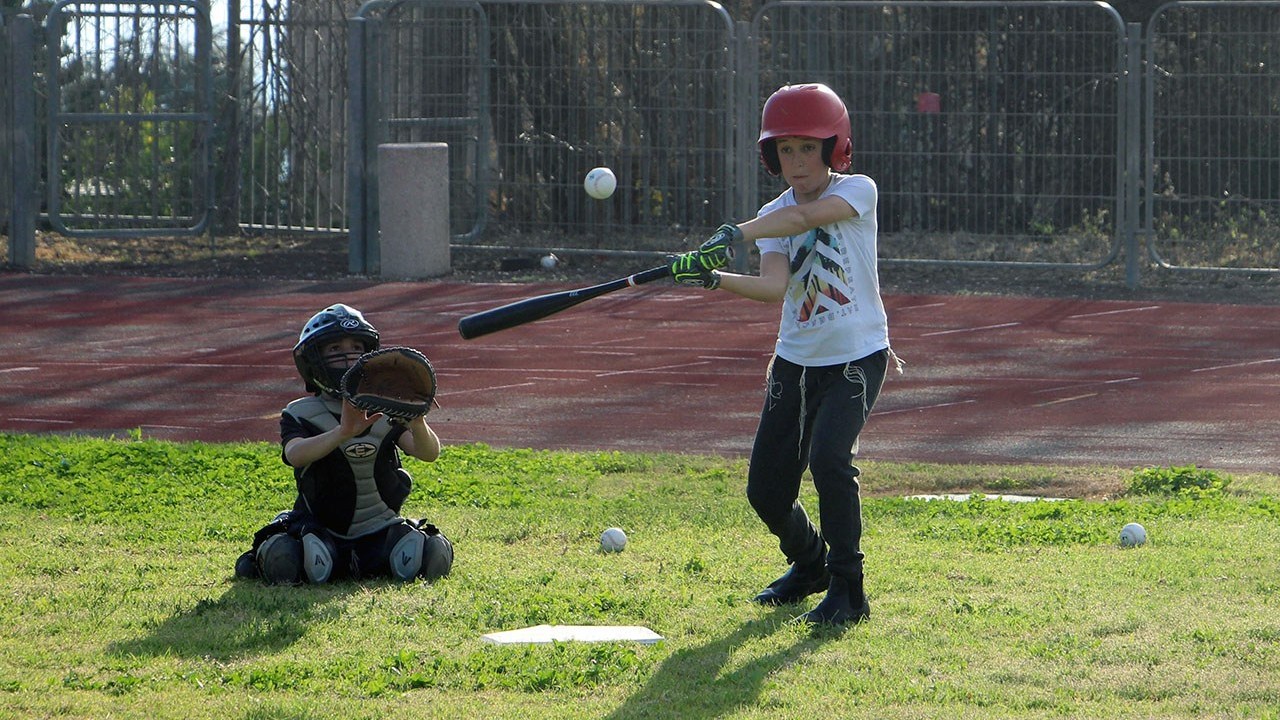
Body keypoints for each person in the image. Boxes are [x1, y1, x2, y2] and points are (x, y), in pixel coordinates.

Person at [669, 83, 900, 625]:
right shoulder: (772, 213)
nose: (797, 161)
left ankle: (849, 588)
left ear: (834, 147)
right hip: (795, 362)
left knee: (829, 460)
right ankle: (810, 563)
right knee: (766, 491)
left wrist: (736, 233)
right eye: (786, 149)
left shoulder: (857, 191)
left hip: (856, 358)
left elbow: (804, 220)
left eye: (808, 147)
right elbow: (775, 287)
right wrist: (714, 278)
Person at [234, 303, 454, 585]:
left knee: (434, 551)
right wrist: (342, 432)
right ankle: (294, 554)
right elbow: (296, 454)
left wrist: (417, 420)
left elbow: (429, 453)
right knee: (284, 556)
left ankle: (385, 554)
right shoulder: (300, 412)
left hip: (381, 527)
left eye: (356, 348)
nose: (349, 357)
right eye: (335, 350)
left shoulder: (385, 409)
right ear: (313, 360)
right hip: (323, 530)